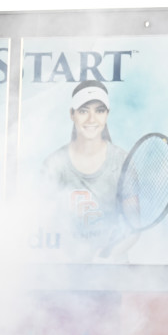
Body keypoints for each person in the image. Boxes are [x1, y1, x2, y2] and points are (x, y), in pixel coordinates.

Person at [43, 80, 130, 256]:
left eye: (99, 111)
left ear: (107, 114)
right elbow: (44, 224)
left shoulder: (122, 161)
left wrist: (107, 256)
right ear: (72, 114)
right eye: (83, 111)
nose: (92, 119)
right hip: (65, 268)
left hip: (113, 272)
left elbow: (134, 226)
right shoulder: (53, 164)